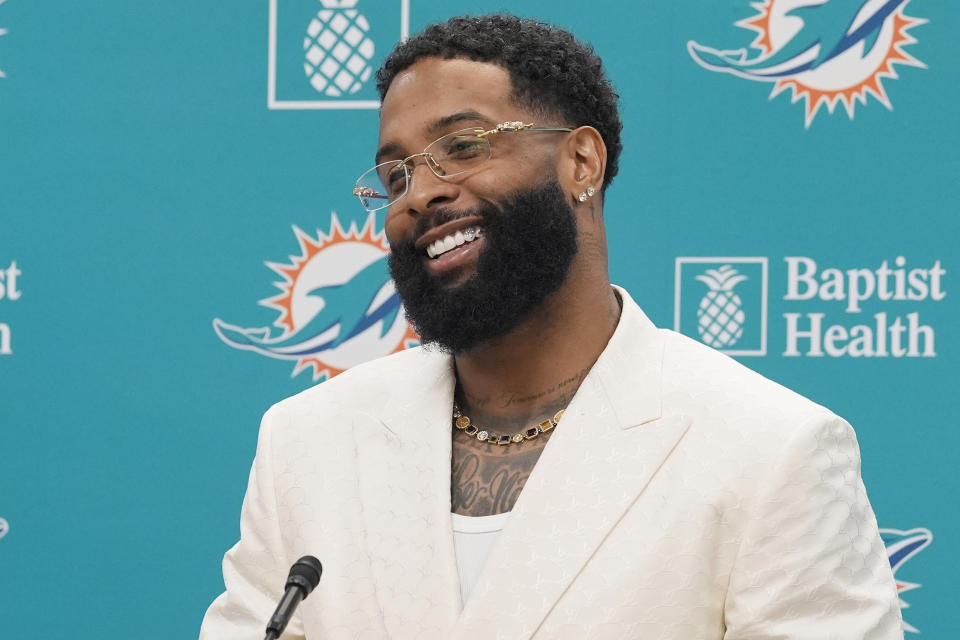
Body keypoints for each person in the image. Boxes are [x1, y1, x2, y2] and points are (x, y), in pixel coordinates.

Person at [200, 14, 902, 639]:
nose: (422, 195)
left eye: (465, 146)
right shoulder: (308, 441)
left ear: (581, 161)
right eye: (395, 177)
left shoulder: (770, 450)